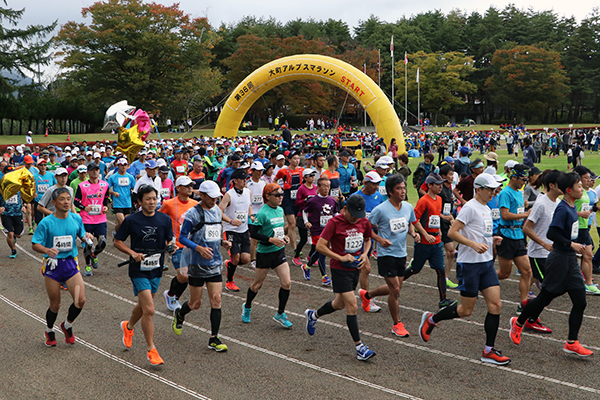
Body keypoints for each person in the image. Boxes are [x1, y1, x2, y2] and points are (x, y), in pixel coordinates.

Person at [418, 173, 511, 365]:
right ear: (479, 189)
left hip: (486, 264)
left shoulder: (485, 207)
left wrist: (490, 240)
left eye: (495, 189)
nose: (494, 192)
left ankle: (488, 350)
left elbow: (478, 233)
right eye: (491, 189)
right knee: (466, 310)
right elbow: (453, 232)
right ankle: (432, 319)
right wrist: (473, 245)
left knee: (496, 305)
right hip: (470, 265)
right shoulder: (469, 208)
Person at [510, 172, 593, 357]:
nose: (582, 188)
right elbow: (552, 234)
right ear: (569, 190)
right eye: (579, 186)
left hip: (570, 260)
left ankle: (572, 342)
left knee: (580, 301)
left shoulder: (570, 207)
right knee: (545, 298)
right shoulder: (563, 209)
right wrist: (572, 244)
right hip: (559, 260)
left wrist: (579, 243)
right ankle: (519, 321)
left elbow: (568, 233)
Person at [304, 195, 376, 361]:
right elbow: (320, 246)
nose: (356, 218)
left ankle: (313, 315)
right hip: (339, 269)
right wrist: (340, 257)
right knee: (352, 304)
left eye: (359, 215)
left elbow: (367, 239)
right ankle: (360, 348)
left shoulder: (363, 221)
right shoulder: (334, 223)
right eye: (353, 215)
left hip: (355, 269)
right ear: (344, 209)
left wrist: (365, 254)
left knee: (339, 304)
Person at [115, 183, 175, 366]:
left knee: (143, 304)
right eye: (148, 199)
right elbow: (117, 241)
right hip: (138, 269)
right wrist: (132, 254)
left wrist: (171, 247)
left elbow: (169, 239)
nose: (152, 202)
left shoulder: (164, 220)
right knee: (149, 309)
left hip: (156, 268)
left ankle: (129, 326)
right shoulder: (131, 220)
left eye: (154, 199)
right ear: (139, 201)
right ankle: (151, 349)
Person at [172, 181, 231, 351]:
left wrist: (222, 242)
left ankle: (214, 338)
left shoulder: (217, 213)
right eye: (211, 198)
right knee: (195, 303)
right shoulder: (192, 214)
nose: (214, 201)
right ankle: (180, 314)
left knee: (216, 300)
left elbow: (211, 234)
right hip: (197, 263)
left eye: (216, 198)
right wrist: (198, 248)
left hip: (214, 262)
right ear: (202, 196)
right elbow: (182, 238)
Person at [359, 174, 420, 337]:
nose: (403, 191)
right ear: (390, 192)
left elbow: (409, 223)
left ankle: (367, 295)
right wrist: (379, 239)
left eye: (403, 188)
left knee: (395, 287)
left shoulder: (407, 207)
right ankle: (396, 324)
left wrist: (413, 234)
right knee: (396, 289)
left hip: (401, 253)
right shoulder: (381, 209)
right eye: (399, 188)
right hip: (386, 254)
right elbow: (367, 227)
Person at [31, 187, 92, 347]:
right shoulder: (46, 222)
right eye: (62, 199)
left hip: (71, 265)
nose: (66, 202)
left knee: (80, 300)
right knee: (55, 304)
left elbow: (82, 234)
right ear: (53, 202)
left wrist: (87, 237)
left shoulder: (76, 218)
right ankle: (49, 330)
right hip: (53, 267)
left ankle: (67, 325)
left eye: (68, 199)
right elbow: (35, 244)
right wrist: (46, 250)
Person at [243, 183, 293, 328]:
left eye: (281, 194)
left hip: (279, 252)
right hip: (265, 254)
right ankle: (247, 306)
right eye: (277, 195)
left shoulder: (280, 210)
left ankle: (280, 313)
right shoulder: (263, 213)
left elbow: (277, 230)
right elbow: (254, 233)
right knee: (257, 285)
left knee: (287, 283)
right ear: (268, 196)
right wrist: (271, 240)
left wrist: (284, 237)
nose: (280, 197)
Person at [404, 174, 456, 309]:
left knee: (441, 270)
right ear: (429, 185)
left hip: (436, 242)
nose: (440, 186)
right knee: (415, 269)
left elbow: (435, 214)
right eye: (437, 184)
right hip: (424, 243)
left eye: (441, 184)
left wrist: (439, 226)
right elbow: (414, 219)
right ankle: (395, 284)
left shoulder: (439, 199)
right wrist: (425, 234)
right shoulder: (423, 201)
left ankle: (443, 300)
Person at [522, 170, 562, 333]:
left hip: (552, 253)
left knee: (550, 288)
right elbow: (526, 228)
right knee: (550, 289)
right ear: (552, 185)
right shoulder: (541, 203)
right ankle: (529, 319)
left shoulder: (558, 202)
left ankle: (527, 306)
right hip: (539, 253)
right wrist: (544, 244)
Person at [496, 164, 535, 313]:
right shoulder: (505, 193)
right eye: (522, 179)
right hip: (507, 236)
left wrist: (525, 209)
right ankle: (482, 279)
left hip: (519, 236)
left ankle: (523, 304)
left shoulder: (519, 192)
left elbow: (519, 209)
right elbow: (505, 215)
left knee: (527, 271)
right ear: (514, 177)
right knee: (505, 273)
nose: (524, 182)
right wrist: (525, 214)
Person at [160, 176, 198, 310]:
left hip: (192, 245)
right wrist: (167, 241)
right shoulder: (169, 204)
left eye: (191, 185)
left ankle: (173, 295)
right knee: (183, 275)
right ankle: (171, 296)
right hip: (177, 246)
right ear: (178, 188)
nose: (190, 188)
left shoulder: (195, 204)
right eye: (186, 186)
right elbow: (159, 221)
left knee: (188, 277)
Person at [220, 168, 253, 292]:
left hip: (243, 229)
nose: (245, 181)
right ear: (235, 180)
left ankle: (230, 264)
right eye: (243, 179)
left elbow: (248, 205)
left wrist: (251, 215)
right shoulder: (229, 195)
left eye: (246, 179)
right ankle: (229, 281)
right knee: (236, 258)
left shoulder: (248, 192)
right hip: (230, 230)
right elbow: (219, 211)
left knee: (245, 259)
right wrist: (230, 221)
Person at [74, 163, 109, 276]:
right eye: (92, 170)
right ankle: (88, 266)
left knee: (103, 242)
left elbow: (106, 199)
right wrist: (84, 207)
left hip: (100, 219)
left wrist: (106, 207)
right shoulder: (82, 186)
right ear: (88, 172)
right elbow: (75, 201)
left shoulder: (105, 185)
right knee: (88, 243)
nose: (95, 172)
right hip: (87, 219)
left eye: (97, 170)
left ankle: (94, 255)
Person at [302, 176, 337, 286]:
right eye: (325, 186)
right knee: (322, 252)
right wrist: (306, 221)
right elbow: (305, 211)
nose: (327, 188)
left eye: (329, 186)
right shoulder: (313, 200)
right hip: (316, 230)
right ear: (319, 187)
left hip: (328, 230)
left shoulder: (332, 200)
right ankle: (324, 277)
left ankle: (306, 266)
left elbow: (335, 213)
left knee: (320, 251)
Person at [572, 165, 600, 294]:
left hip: (584, 228)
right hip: (574, 228)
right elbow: (566, 210)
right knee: (565, 256)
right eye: (586, 178)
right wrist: (580, 214)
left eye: (590, 178)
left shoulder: (587, 192)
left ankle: (588, 283)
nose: (589, 180)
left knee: (588, 255)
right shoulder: (573, 192)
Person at [274, 151, 304, 253]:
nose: (297, 160)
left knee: (293, 224)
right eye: (295, 158)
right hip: (287, 200)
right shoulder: (283, 171)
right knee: (292, 224)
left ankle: (281, 233)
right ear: (289, 160)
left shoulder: (302, 170)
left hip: (298, 200)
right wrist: (278, 190)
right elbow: (275, 180)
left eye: (298, 158)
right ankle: (295, 249)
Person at [438, 164, 458, 289]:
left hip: (446, 224)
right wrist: (444, 217)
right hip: (437, 225)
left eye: (452, 174)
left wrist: (450, 218)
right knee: (431, 251)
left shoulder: (450, 188)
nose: (452, 177)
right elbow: (434, 210)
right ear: (443, 176)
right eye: (450, 174)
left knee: (450, 252)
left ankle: (445, 278)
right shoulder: (439, 190)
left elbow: (448, 208)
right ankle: (416, 259)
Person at [293, 169, 317, 267]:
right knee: (303, 239)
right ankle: (296, 256)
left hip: (314, 216)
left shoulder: (315, 187)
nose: (312, 177)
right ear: (305, 178)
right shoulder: (301, 189)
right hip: (303, 215)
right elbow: (297, 203)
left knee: (315, 239)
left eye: (313, 175)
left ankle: (310, 256)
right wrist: (306, 200)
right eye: (310, 175)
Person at [107, 158, 136, 235]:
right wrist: (113, 193)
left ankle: (115, 232)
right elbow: (107, 189)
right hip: (118, 203)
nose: (123, 167)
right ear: (118, 166)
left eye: (125, 165)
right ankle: (117, 234)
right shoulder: (113, 177)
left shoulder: (130, 177)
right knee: (122, 221)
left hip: (128, 203)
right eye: (122, 165)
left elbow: (135, 188)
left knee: (125, 223)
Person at [0, 166, 24, 258]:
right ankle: (13, 250)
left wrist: (25, 205)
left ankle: (14, 238)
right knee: (10, 233)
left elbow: (25, 195)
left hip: (17, 212)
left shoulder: (19, 184)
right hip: (6, 213)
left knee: (18, 235)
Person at [246, 161, 266, 268]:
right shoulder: (248, 184)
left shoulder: (264, 182)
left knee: (261, 236)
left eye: (261, 171)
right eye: (258, 171)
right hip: (251, 213)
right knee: (253, 238)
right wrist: (250, 214)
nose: (260, 173)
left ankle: (259, 256)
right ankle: (253, 260)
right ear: (252, 171)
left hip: (262, 213)